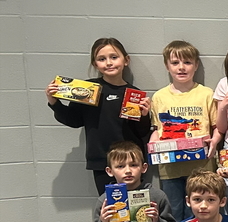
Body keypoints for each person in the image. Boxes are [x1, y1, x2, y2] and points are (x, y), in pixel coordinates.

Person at [150, 40, 220, 222]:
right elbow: (156, 130)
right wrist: (153, 145)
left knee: (201, 214)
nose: (181, 67)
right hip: (169, 169)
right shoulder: (158, 97)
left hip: (201, 170)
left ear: (196, 65)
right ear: (167, 66)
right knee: (173, 216)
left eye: (187, 62)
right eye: (175, 62)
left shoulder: (206, 94)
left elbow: (215, 128)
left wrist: (213, 141)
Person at [45, 37, 152, 195]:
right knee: (111, 210)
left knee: (136, 207)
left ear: (126, 60)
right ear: (95, 64)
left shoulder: (134, 94)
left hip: (131, 162)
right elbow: (73, 120)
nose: (108, 63)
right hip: (102, 161)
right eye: (102, 59)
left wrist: (144, 115)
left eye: (114, 57)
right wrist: (54, 102)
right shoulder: (87, 90)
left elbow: (142, 132)